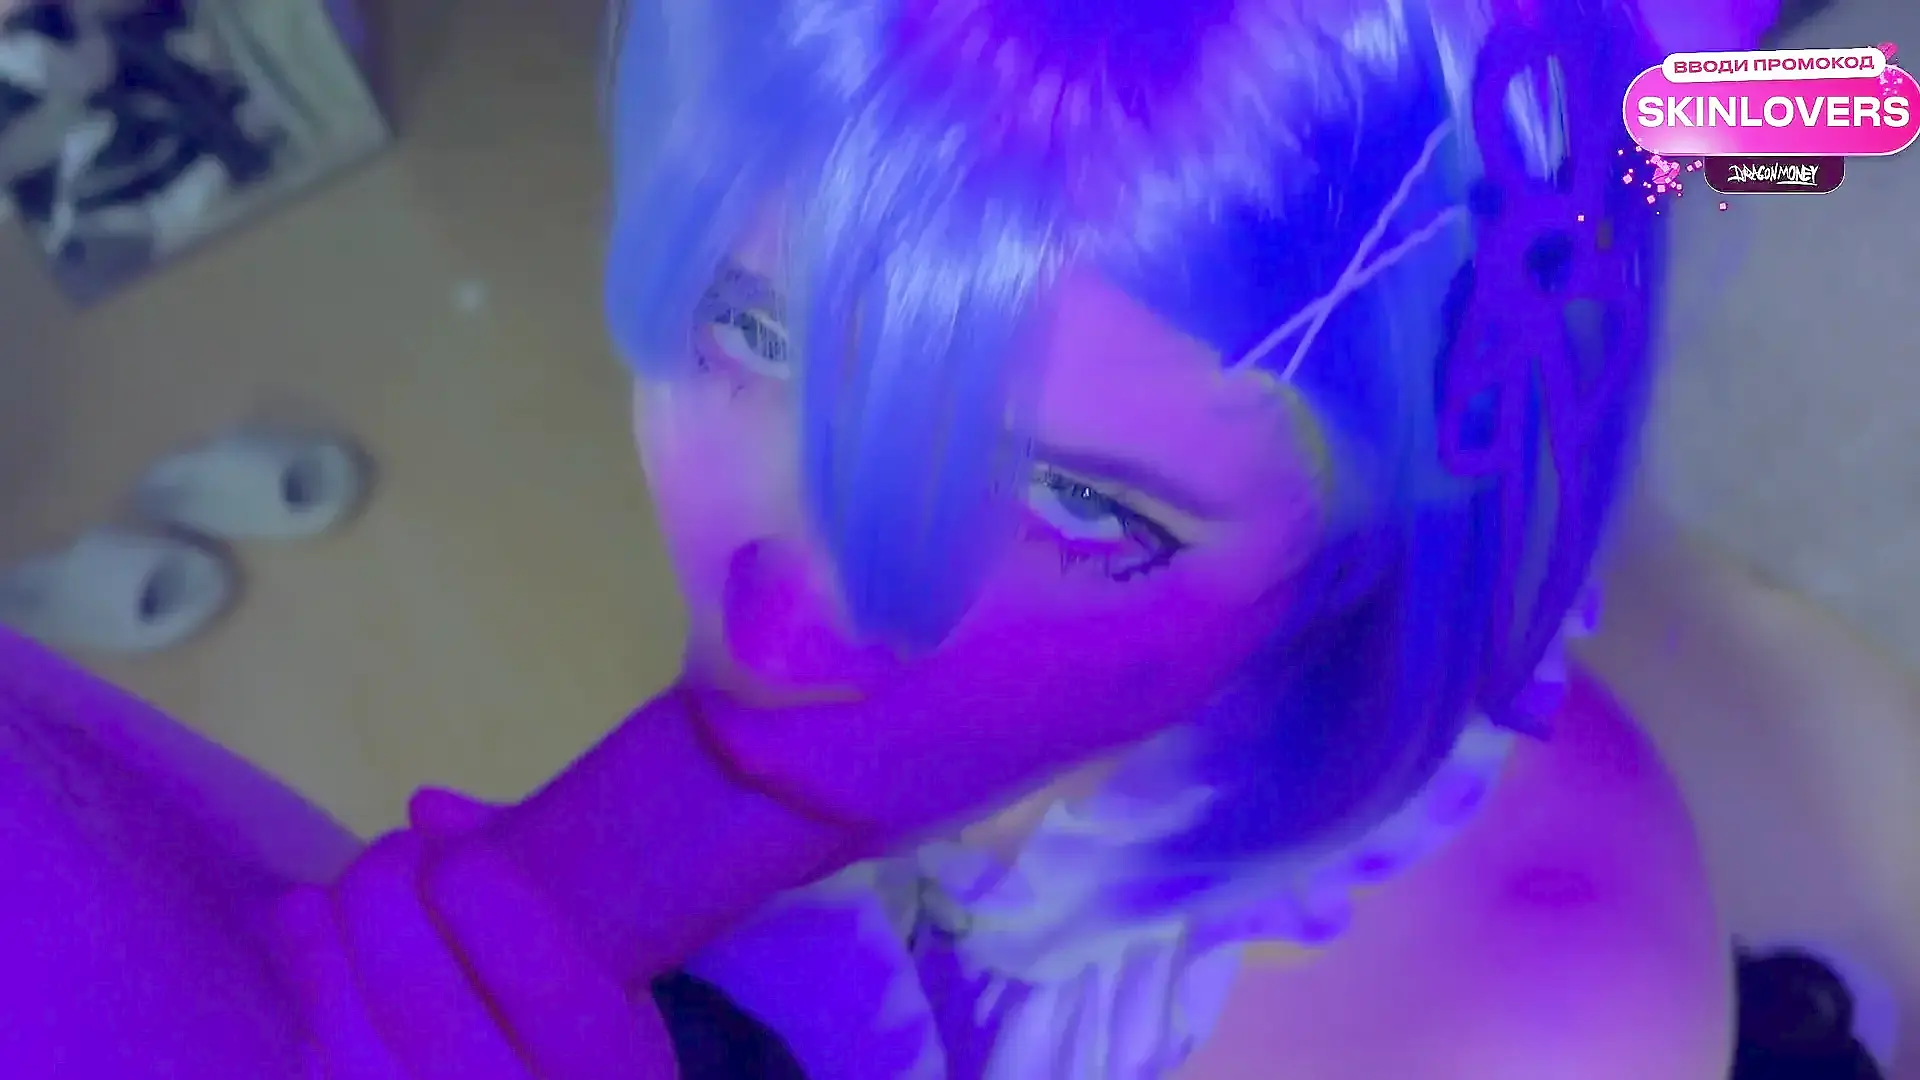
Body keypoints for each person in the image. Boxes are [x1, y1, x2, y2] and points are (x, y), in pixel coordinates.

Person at [0, 0, 1794, 1075]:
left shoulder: (1544, 1002)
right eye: (750, 335)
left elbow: (1814, 112)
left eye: (1077, 502)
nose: (800, 607)